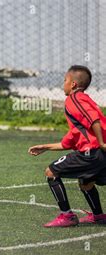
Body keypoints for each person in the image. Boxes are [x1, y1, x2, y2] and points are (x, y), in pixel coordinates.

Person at [28, 65, 106, 227]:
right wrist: (45, 146)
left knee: (51, 172)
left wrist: (101, 142)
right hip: (100, 154)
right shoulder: (86, 99)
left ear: (73, 85)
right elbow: (68, 142)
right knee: (86, 182)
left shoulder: (74, 99)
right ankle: (98, 216)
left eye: (65, 80)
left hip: (91, 152)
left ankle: (67, 216)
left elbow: (94, 120)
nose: (62, 84)